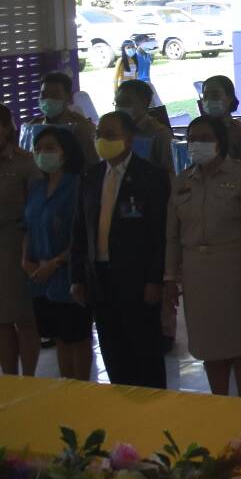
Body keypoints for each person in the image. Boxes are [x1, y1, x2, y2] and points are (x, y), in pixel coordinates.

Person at [165, 114, 241, 396]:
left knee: (240, 343)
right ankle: (219, 401)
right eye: (192, 139)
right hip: (196, 273)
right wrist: (169, 277)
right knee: (209, 345)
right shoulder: (183, 180)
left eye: (205, 138)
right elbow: (172, 236)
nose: (197, 144)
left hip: (233, 269)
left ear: (220, 142)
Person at [70, 110, 169, 388]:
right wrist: (77, 277)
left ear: (129, 139)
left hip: (137, 278)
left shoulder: (150, 176)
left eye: (110, 134)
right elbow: (80, 230)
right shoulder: (91, 175)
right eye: (98, 134)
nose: (102, 140)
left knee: (145, 352)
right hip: (100, 277)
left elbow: (159, 234)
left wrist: (155, 279)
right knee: (114, 350)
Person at [22, 126, 92, 379]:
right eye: (38, 149)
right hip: (41, 279)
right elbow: (27, 226)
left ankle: (81, 389)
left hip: (68, 274)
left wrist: (56, 262)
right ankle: (67, 386)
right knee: (60, 338)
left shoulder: (78, 185)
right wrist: (25, 259)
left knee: (77, 338)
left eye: (50, 148)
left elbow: (83, 235)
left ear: (65, 152)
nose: (43, 153)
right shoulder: (37, 188)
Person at [0, 104, 40, 375]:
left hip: (17, 247)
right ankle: (10, 380)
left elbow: (37, 208)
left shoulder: (25, 162)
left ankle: (29, 379)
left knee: (24, 319)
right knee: (1, 322)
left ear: (5, 128)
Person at [27, 72, 98, 166]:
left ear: (68, 97)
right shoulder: (32, 127)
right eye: (43, 95)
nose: (48, 99)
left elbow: (93, 165)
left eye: (54, 95)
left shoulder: (83, 128)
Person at [198, 74, 241, 171]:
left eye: (215, 95)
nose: (209, 100)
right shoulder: (198, 130)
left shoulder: (240, 132)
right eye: (205, 96)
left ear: (229, 98)